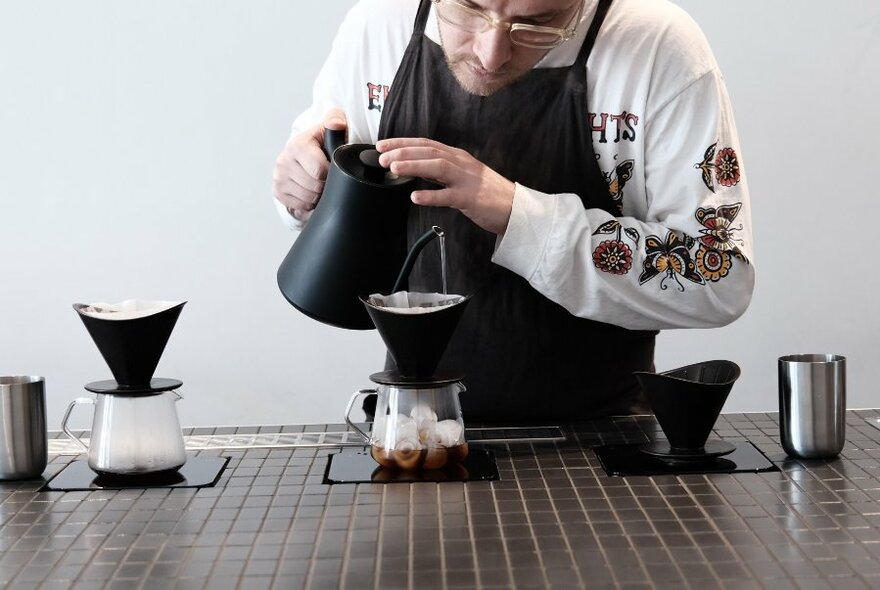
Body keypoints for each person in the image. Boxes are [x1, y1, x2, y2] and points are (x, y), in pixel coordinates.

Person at [272, 0, 754, 423]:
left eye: (538, 24)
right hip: (417, 432)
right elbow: (326, 199)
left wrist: (515, 215)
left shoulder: (657, 47)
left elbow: (720, 276)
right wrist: (302, 190)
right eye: (467, 8)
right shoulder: (377, 27)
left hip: (604, 437)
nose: (491, 53)